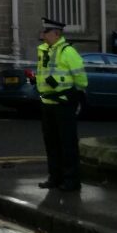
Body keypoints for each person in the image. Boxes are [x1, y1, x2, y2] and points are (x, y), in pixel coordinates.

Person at [36, 18, 88, 192]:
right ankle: (55, 178)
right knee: (51, 143)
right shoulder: (44, 51)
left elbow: (81, 79)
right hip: (47, 103)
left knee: (67, 143)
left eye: (46, 32)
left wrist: (74, 94)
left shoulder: (68, 51)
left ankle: (71, 180)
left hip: (64, 103)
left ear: (56, 34)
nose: (43, 35)